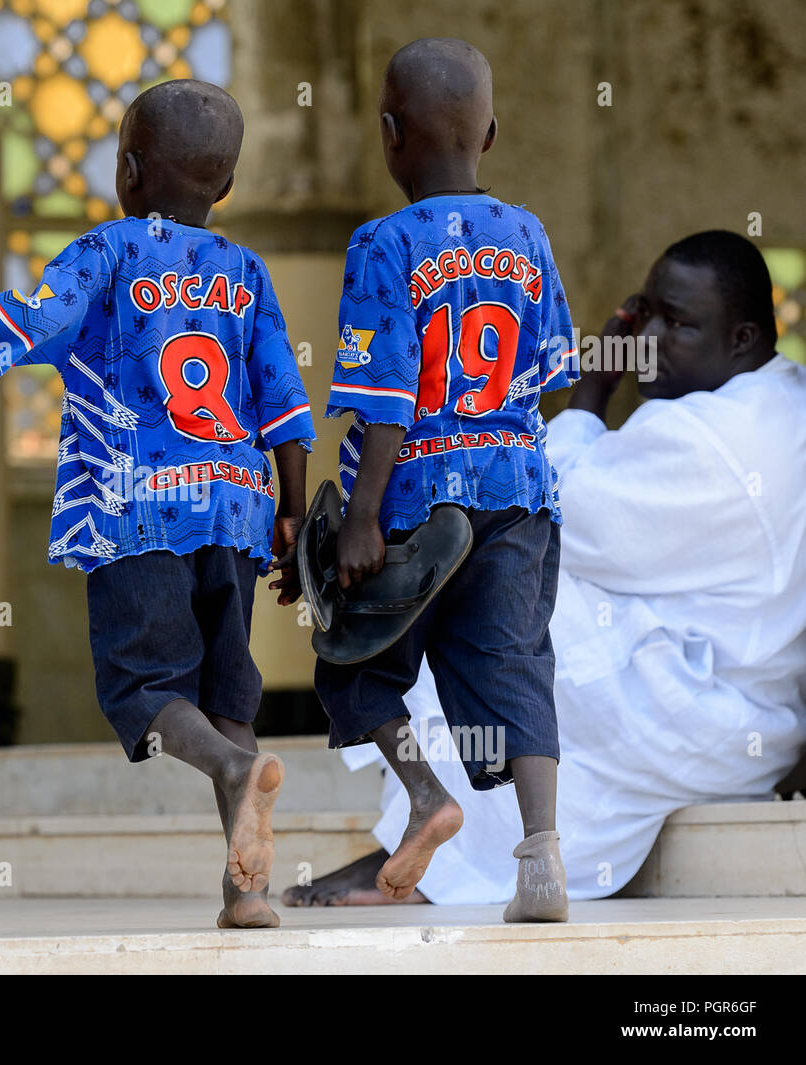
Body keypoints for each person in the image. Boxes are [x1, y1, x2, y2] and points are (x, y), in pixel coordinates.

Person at [0, 80, 316, 929]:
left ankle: (238, 775)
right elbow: (286, 403)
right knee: (228, 690)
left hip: (136, 512)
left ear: (127, 169)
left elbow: (28, 321)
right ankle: (247, 889)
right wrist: (294, 513)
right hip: (237, 507)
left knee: (142, 687)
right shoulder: (246, 272)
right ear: (225, 188)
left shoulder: (109, 253)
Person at [287, 230, 806, 908]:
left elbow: (555, 502)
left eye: (677, 323)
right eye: (644, 310)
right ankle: (436, 849)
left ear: (741, 339)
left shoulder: (710, 440)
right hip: (738, 707)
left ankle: (439, 865)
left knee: (482, 588)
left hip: (699, 713)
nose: (646, 336)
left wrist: (588, 395)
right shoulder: (783, 397)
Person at [311, 38, 579, 921]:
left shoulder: (382, 244)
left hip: (417, 495)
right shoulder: (528, 232)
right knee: (514, 666)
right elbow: (552, 374)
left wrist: (360, 518)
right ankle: (540, 855)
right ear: (491, 133)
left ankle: (426, 794)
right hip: (518, 485)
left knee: (354, 658)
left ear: (389, 136)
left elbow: (384, 395)